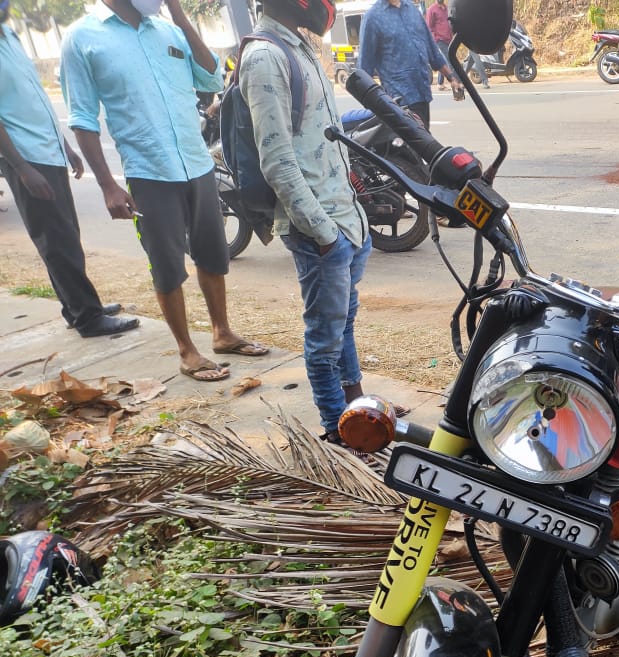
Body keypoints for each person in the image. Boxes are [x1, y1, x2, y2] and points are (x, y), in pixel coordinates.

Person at [60, 0, 268, 383]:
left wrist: (177, 11)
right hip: (148, 173)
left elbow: (210, 77)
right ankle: (187, 351)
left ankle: (222, 333)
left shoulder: (168, 29)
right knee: (167, 265)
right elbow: (83, 119)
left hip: (196, 163)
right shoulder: (82, 38)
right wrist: (108, 184)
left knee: (213, 254)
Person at [237, 0, 378, 444]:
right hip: (320, 227)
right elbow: (277, 161)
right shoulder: (264, 58)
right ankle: (340, 431)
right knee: (324, 340)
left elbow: (323, 126)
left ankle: (358, 408)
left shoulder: (299, 47)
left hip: (346, 217)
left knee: (344, 324)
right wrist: (323, 234)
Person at [0, 0, 138, 338]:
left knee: (65, 233)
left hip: (47, 150)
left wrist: (64, 145)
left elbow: (34, 98)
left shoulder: (9, 35)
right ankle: (88, 317)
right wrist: (20, 168)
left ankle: (77, 306)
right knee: (56, 239)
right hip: (26, 156)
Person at [359, 0, 461, 130]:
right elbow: (364, 69)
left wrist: (451, 77)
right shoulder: (372, 18)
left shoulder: (412, 10)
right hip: (399, 101)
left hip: (422, 93)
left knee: (424, 145)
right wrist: (376, 104)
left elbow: (431, 49)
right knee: (417, 147)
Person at [424, 0, 453, 89]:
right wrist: (433, 39)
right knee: (450, 60)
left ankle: (440, 84)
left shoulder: (447, 8)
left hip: (449, 39)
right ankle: (456, 82)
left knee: (443, 60)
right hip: (439, 39)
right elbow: (428, 26)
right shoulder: (432, 9)